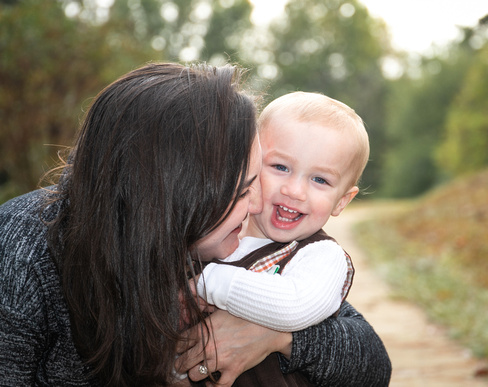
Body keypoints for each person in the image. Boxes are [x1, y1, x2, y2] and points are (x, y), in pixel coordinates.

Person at [0, 62, 391, 387]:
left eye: (318, 179)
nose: (261, 202)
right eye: (245, 189)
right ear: (177, 196)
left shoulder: (246, 245)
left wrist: (276, 335)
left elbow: (371, 361)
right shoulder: (25, 252)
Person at [195, 92, 369, 333]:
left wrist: (203, 283)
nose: (295, 191)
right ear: (251, 162)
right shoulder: (218, 231)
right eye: (280, 167)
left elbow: (294, 307)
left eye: (319, 179)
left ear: (341, 201)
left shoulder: (321, 255)